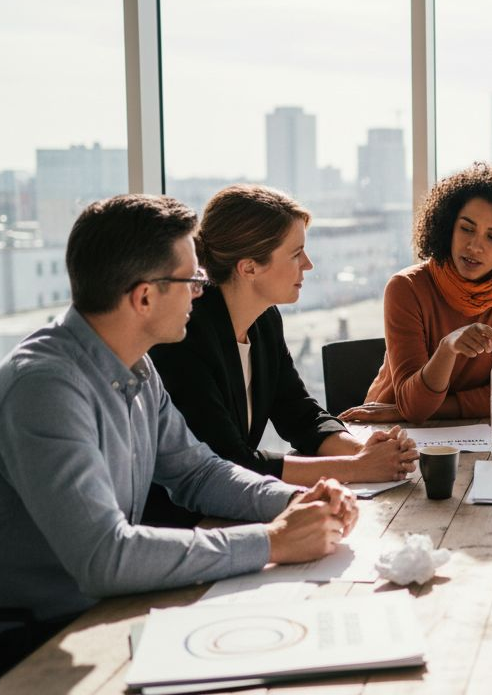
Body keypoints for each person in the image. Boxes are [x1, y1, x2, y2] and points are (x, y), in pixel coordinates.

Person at [0, 195, 356, 694]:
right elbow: (105, 557)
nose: (202, 293)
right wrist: (272, 541)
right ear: (143, 297)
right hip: (5, 650)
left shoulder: (135, 366)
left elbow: (199, 473)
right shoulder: (44, 388)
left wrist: (295, 501)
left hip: (88, 617)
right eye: (192, 280)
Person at [145, 185, 417, 525]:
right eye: (296, 253)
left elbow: (298, 413)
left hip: (238, 512)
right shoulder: (186, 336)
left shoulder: (264, 319)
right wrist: (357, 467)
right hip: (185, 525)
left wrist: (365, 449)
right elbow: (231, 462)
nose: (308, 264)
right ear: (248, 268)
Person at [340, 163, 492, 424]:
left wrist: (424, 409)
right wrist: (447, 348)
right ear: (448, 227)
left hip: (461, 427)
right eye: (466, 228)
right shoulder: (406, 288)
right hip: (395, 430)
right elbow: (415, 407)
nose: (475, 246)